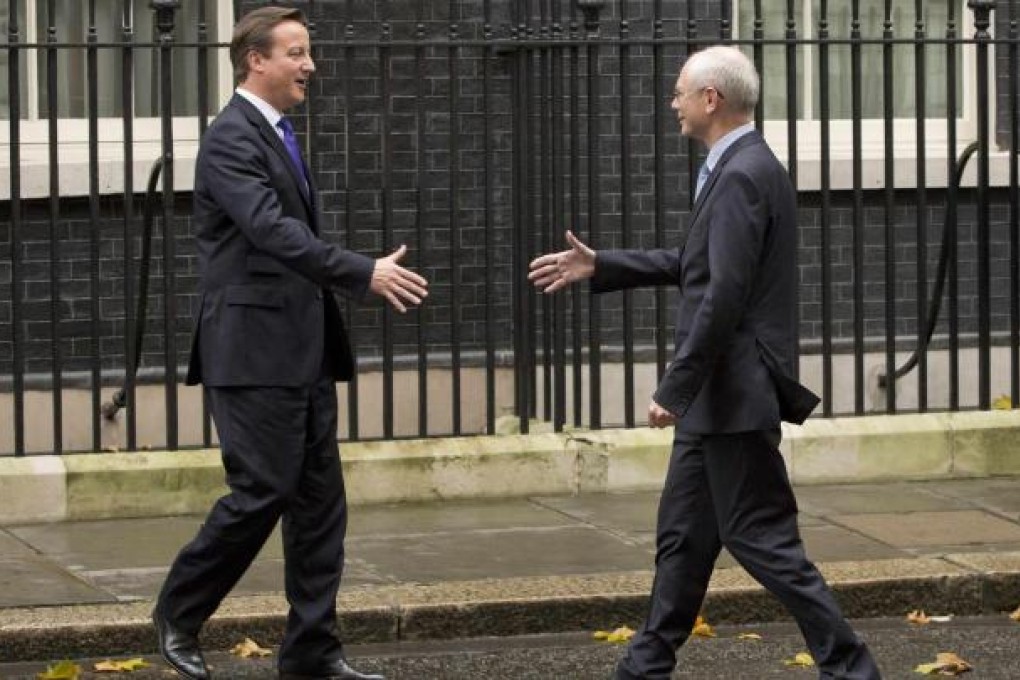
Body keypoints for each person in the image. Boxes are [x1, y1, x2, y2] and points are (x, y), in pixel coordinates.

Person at [529, 46, 881, 680]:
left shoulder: (744, 172)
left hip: (732, 394)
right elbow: (696, 263)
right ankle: (646, 665)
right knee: (685, 541)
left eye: (680, 93)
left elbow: (724, 293)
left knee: (764, 540)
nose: (674, 105)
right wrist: (601, 264)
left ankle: (851, 667)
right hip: (719, 400)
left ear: (710, 100)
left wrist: (677, 385)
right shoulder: (739, 165)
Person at [152, 7, 427, 680]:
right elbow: (272, 231)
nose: (310, 65)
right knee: (261, 491)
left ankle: (311, 651)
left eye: (308, 52)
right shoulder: (229, 139)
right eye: (297, 53)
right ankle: (178, 615)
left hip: (300, 350)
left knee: (319, 505)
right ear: (257, 60)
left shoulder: (276, 132)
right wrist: (362, 271)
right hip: (250, 352)